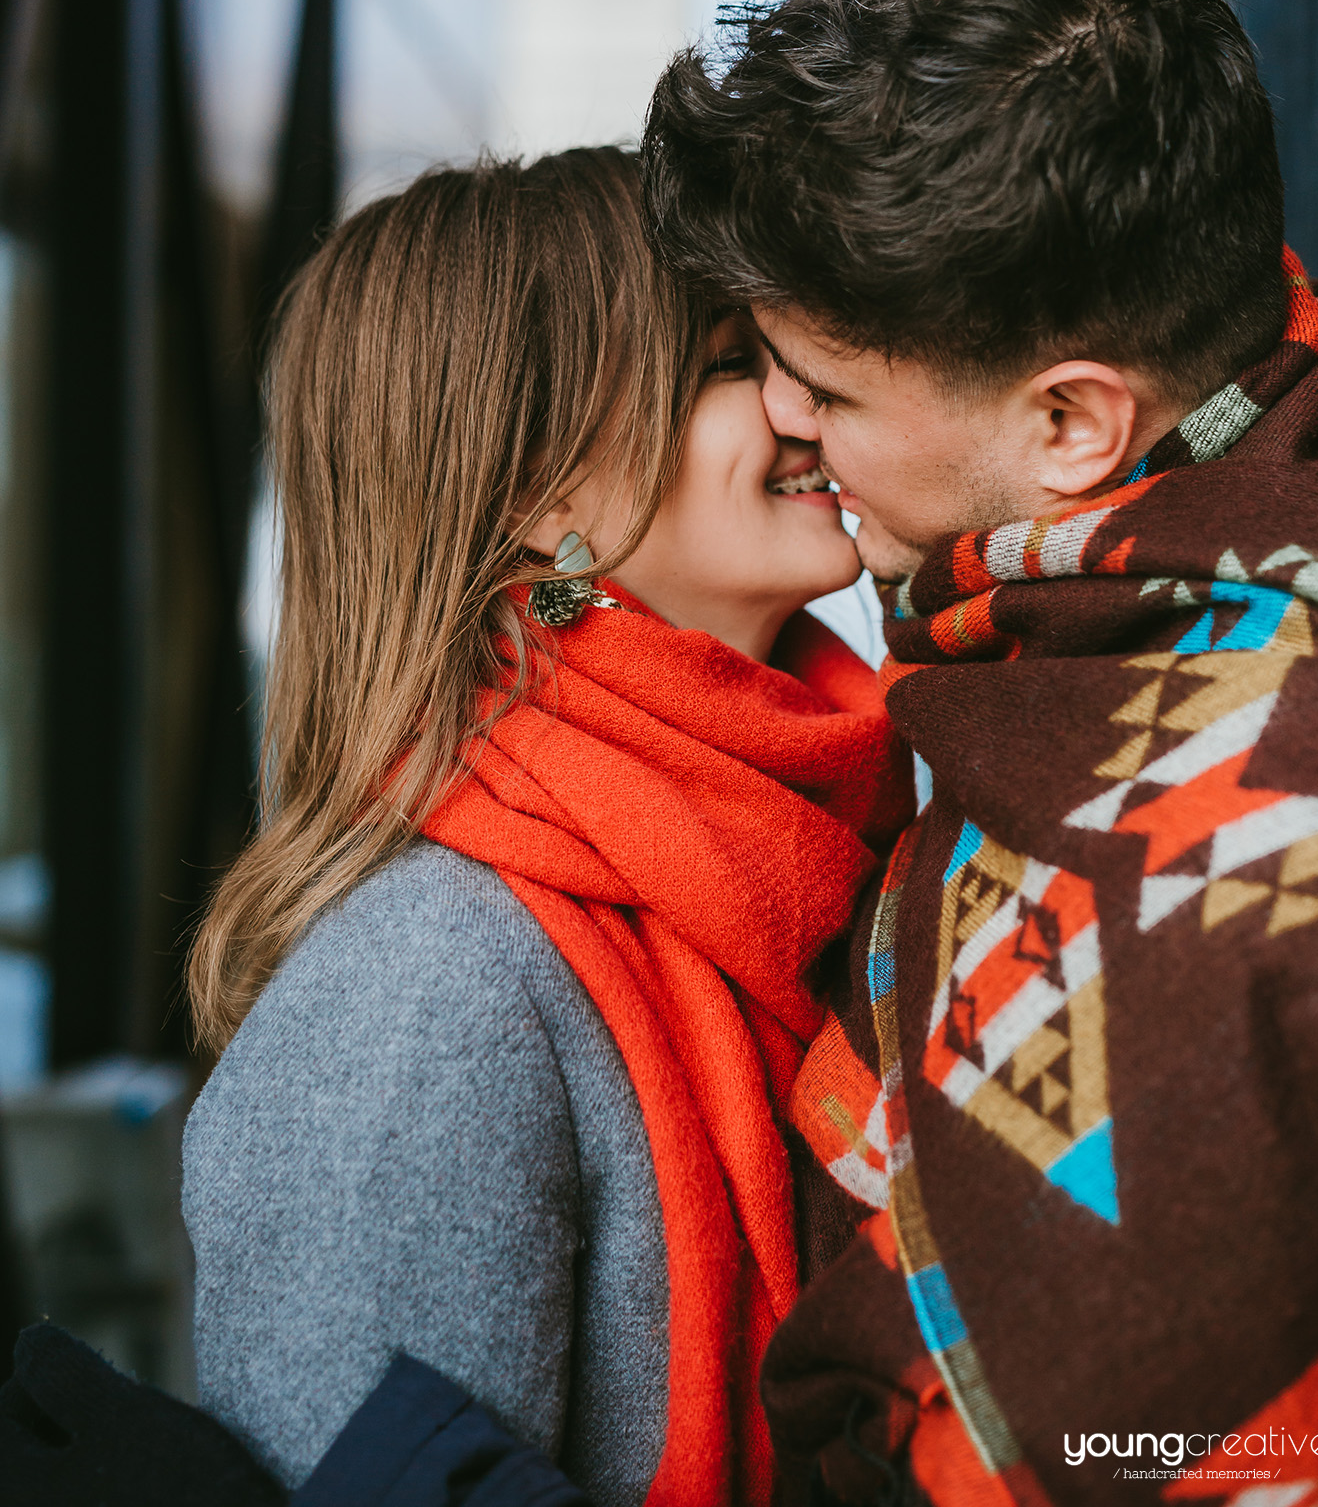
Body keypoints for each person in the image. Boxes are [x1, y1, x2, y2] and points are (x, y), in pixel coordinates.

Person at [642, 0, 1318, 1505]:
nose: (777, 420)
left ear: (1069, 425)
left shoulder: (1278, 807)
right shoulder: (1090, 630)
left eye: (818, 381)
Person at [181, 147, 911, 1507]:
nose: (802, 404)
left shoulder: (833, 859)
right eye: (720, 366)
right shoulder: (423, 980)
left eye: (788, 353)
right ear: (538, 499)